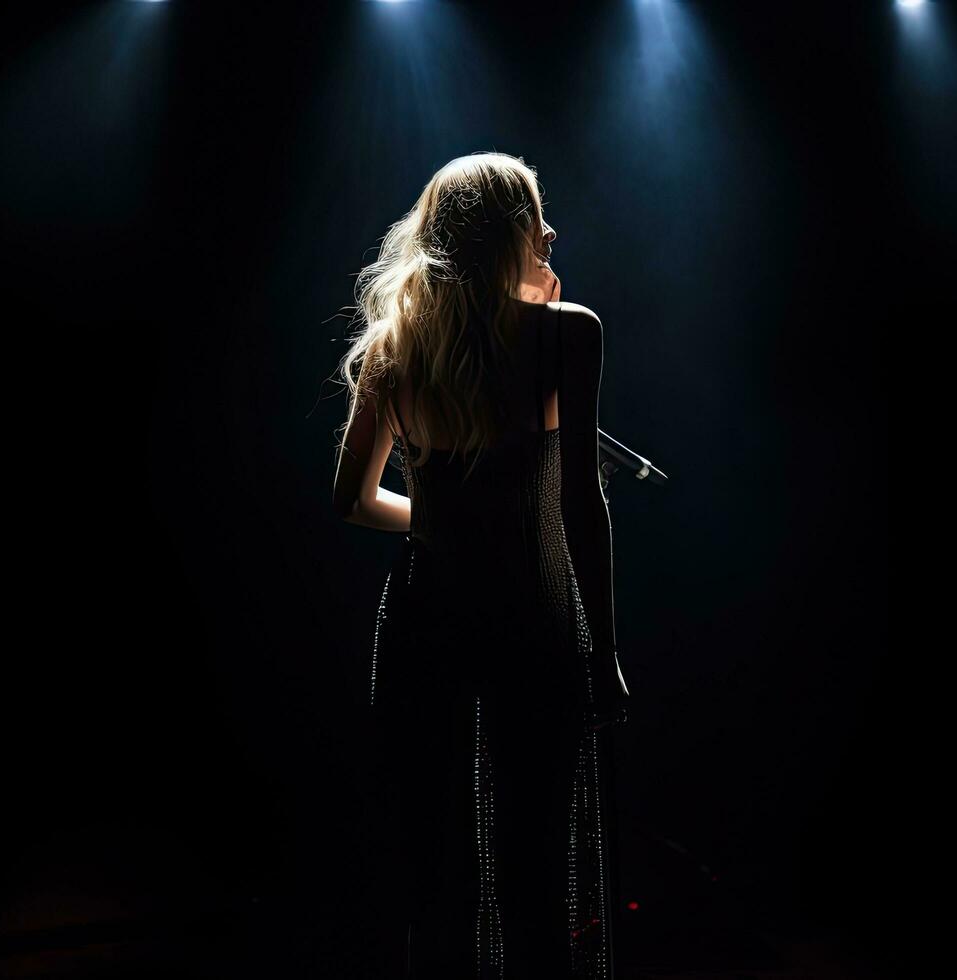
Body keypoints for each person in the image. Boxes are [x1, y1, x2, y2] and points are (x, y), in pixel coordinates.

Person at [332, 151, 630, 979]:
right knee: (538, 872)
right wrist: (604, 655)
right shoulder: (568, 333)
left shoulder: (395, 346)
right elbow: (579, 503)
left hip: (424, 619)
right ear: (509, 232)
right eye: (537, 215)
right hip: (532, 616)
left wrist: (445, 513)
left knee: (436, 876)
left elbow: (352, 501)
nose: (551, 231)